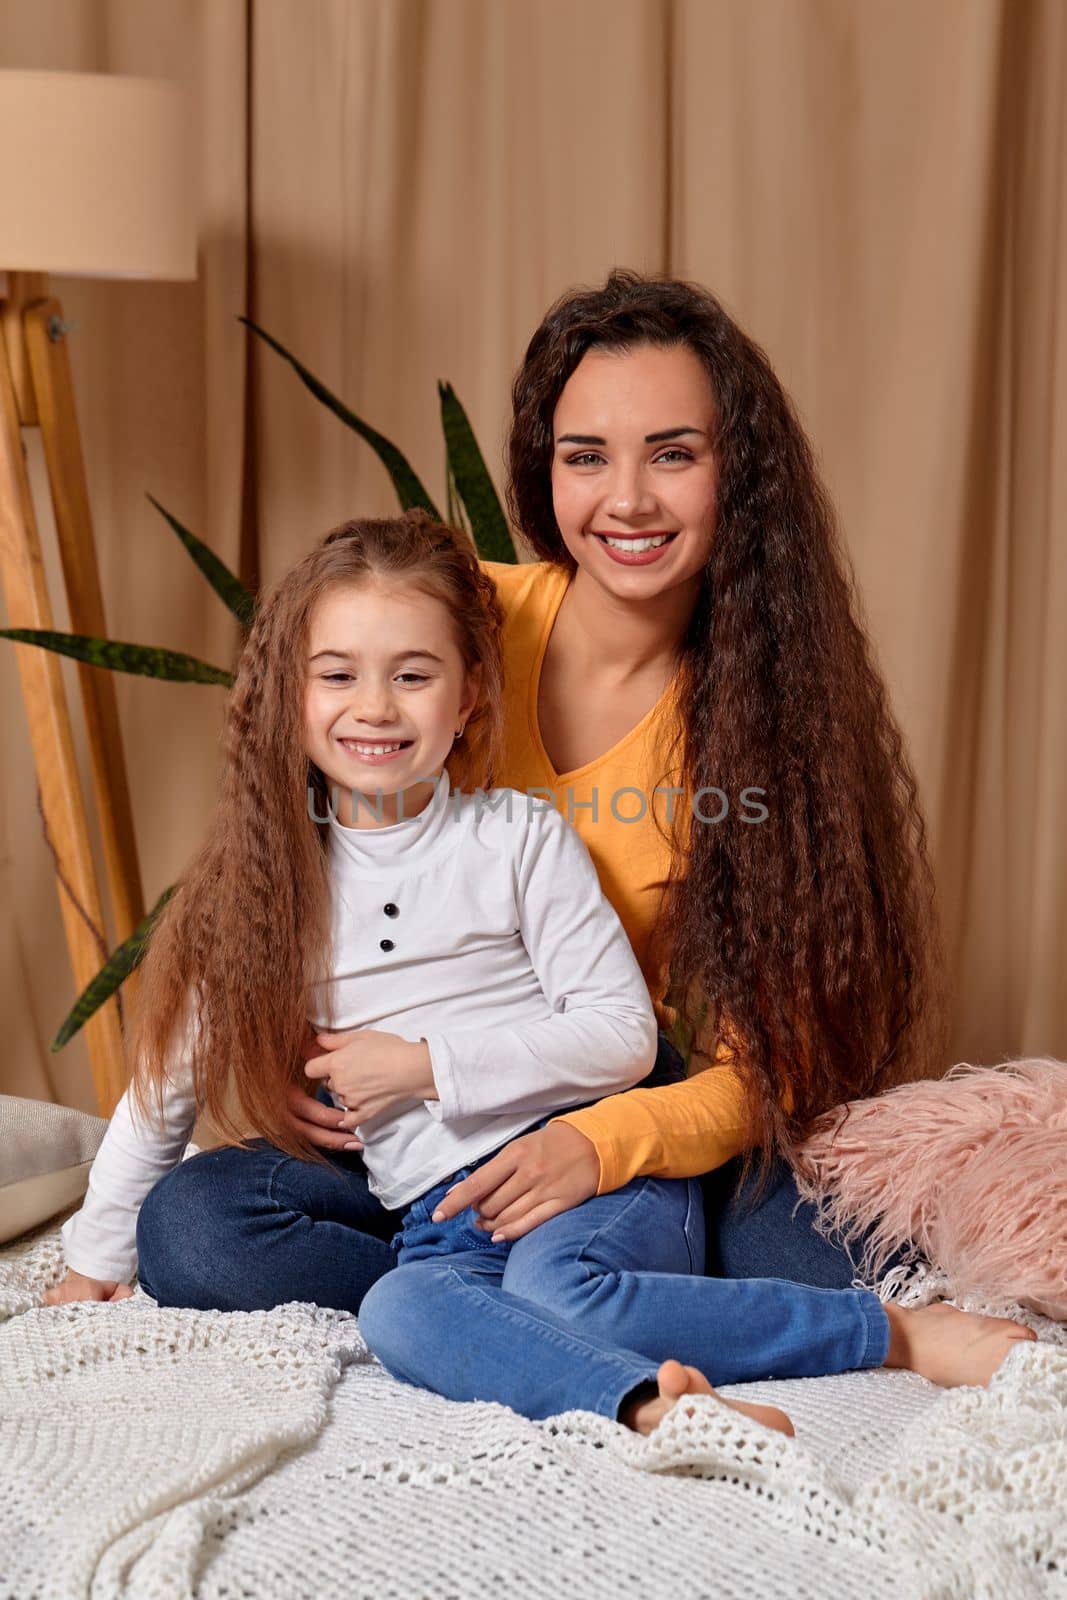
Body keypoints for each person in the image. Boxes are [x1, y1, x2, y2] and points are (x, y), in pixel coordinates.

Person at [44, 510, 1033, 1436]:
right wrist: (95, 1255)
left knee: (558, 1287)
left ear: (471, 691)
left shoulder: (514, 838)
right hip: (442, 1215)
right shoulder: (260, 883)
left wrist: (424, 1065)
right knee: (400, 1307)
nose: (373, 708)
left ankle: (892, 1335)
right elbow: (165, 1079)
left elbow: (619, 1035)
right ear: (286, 697)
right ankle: (647, 1403)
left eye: (413, 676)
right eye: (336, 675)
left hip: (586, 1160)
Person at [284, 270, 945, 1291]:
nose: (626, 499)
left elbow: (768, 1067)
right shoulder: (449, 627)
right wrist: (278, 1054)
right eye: (585, 457)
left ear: (739, 474)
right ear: (543, 469)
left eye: (672, 455)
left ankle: (520, 1268)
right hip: (405, 1105)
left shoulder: (770, 725)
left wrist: (598, 1145)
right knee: (199, 1228)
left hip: (602, 1078)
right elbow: (285, 837)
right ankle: (473, 1266)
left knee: (818, 1255)